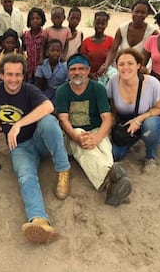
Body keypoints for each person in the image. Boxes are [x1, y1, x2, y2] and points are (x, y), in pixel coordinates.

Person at [0, 54, 71, 244]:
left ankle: (63, 170)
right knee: (25, 176)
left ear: (23, 76)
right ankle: (39, 220)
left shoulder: (30, 90)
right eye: (9, 74)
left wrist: (18, 124)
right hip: (18, 146)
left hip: (39, 139)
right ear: (1, 75)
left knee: (49, 121)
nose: (14, 79)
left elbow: (48, 106)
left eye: (18, 75)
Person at [55, 53, 132, 206]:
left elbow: (107, 118)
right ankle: (111, 175)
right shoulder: (62, 91)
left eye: (81, 69)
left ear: (88, 70)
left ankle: (111, 185)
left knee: (104, 147)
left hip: (96, 130)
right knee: (81, 138)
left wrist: (97, 137)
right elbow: (63, 119)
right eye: (73, 69)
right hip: (72, 135)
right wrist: (76, 137)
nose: (77, 72)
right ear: (68, 72)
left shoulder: (98, 89)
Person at [107, 48, 160, 172]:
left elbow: (159, 108)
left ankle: (150, 157)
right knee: (115, 155)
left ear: (138, 65)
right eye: (121, 64)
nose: (125, 67)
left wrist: (138, 120)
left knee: (151, 126)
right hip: (125, 123)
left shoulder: (152, 83)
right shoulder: (113, 80)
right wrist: (111, 118)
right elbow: (110, 102)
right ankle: (136, 140)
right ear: (117, 66)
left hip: (149, 119)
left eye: (130, 63)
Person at [104, 0, 159, 72]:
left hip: (140, 70)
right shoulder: (122, 29)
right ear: (132, 11)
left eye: (143, 12)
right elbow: (113, 50)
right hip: (122, 67)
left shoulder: (152, 32)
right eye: (137, 12)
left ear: (147, 14)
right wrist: (106, 65)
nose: (139, 15)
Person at [80, 11, 116, 86]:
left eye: (102, 24)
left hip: (106, 78)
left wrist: (104, 69)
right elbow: (83, 61)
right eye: (97, 23)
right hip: (89, 78)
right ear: (93, 23)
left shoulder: (110, 40)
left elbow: (112, 60)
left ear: (106, 24)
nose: (100, 26)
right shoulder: (86, 42)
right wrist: (90, 75)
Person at [35, 39, 68, 104]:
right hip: (48, 91)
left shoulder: (65, 66)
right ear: (47, 52)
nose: (55, 53)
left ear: (61, 52)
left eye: (58, 50)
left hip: (62, 91)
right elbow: (39, 84)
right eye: (52, 50)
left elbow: (68, 84)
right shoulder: (42, 64)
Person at [21, 7, 47, 83]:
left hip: (41, 69)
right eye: (32, 19)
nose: (35, 21)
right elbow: (23, 49)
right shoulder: (25, 35)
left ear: (42, 20)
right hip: (28, 70)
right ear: (29, 21)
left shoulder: (44, 35)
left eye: (38, 18)